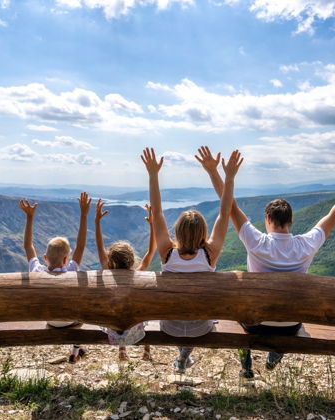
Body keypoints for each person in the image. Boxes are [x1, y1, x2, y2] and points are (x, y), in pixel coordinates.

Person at [195, 145, 335, 379]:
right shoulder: (306, 245)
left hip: (255, 322)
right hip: (291, 324)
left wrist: (215, 172)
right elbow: (334, 214)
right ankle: (276, 353)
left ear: (267, 219)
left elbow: (229, 206)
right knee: (281, 314)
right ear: (291, 220)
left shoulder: (256, 241)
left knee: (238, 311)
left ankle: (246, 367)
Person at [141, 146, 243, 373]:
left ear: (176, 231)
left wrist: (153, 174)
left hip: (170, 326)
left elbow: (156, 213)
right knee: (198, 320)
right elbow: (225, 213)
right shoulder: (209, 254)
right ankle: (183, 357)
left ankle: (182, 357)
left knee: (182, 319)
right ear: (203, 232)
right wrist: (228, 177)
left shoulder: (167, 253)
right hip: (201, 328)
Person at [19, 192, 92, 363]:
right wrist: (84, 214)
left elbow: (28, 246)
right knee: (80, 311)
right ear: (66, 259)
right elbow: (81, 246)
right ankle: (76, 349)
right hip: (70, 321)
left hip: (51, 320)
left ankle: (77, 350)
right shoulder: (72, 269)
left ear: (45, 257)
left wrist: (29, 217)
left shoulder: (36, 270)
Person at [94, 198, 155, 361]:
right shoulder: (138, 273)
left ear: (110, 260)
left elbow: (100, 247)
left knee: (117, 311)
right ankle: (147, 349)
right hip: (136, 333)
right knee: (141, 311)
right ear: (131, 260)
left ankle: (122, 351)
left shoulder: (107, 272)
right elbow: (150, 253)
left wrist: (97, 221)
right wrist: (152, 225)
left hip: (114, 333)